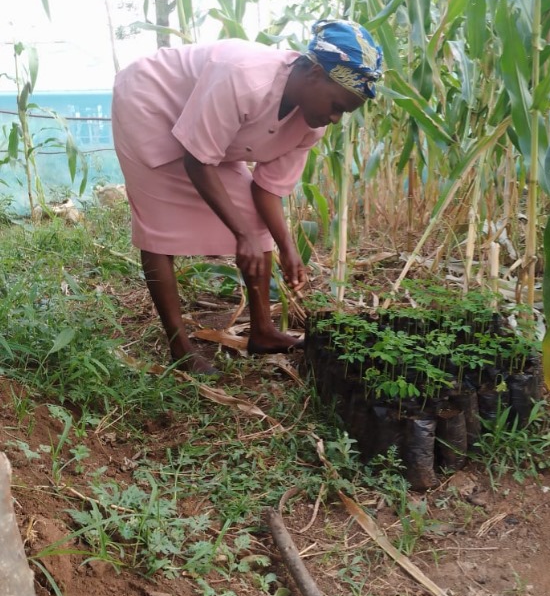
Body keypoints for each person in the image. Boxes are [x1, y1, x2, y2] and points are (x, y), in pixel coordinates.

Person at [111, 18, 383, 374]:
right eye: (336, 105)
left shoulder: (309, 125)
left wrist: (287, 247)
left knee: (255, 222)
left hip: (208, 135)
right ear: (315, 73)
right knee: (159, 227)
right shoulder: (243, 76)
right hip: (151, 102)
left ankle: (263, 332)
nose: (334, 118)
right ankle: (180, 345)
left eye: (342, 113)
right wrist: (241, 236)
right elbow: (198, 160)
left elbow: (266, 189)